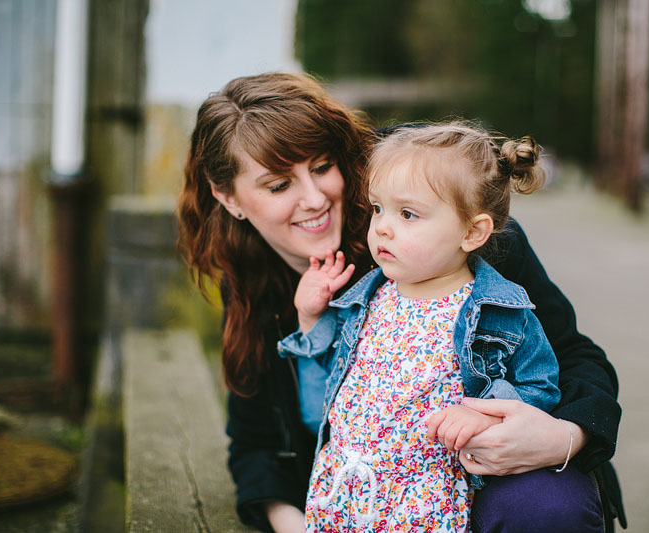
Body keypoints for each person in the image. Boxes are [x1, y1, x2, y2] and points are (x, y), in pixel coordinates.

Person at [177, 72, 625, 533]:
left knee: (545, 507)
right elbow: (255, 443)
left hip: (487, 477)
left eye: (322, 166)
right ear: (229, 198)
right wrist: (294, 523)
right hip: (358, 500)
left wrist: (563, 437)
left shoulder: (445, 216)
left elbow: (575, 358)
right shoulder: (251, 281)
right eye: (278, 185)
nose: (314, 199)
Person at [277, 123, 562, 531]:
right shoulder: (365, 300)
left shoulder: (498, 313)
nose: (382, 228)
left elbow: (541, 387)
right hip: (344, 492)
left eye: (408, 214)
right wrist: (309, 319)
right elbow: (317, 409)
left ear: (472, 231)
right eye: (378, 208)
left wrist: (487, 417)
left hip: (423, 501)